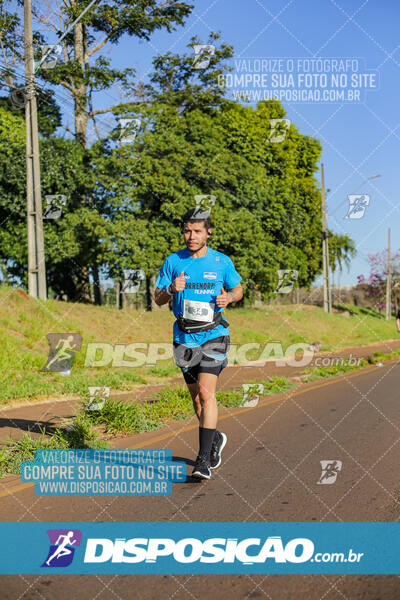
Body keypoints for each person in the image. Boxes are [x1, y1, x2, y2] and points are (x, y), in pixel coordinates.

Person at [154, 208, 243, 479]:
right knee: (196, 399)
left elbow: (238, 288)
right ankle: (213, 437)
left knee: (206, 393)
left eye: (196, 231)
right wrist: (170, 290)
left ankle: (202, 461)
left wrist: (229, 299)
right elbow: (157, 299)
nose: (190, 236)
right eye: (186, 231)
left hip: (214, 333)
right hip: (183, 336)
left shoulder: (221, 262)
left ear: (208, 233)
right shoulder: (173, 261)